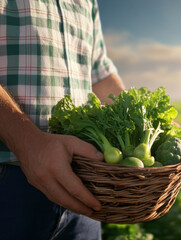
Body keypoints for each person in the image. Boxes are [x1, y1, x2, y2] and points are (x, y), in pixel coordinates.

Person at [0, 0, 124, 239]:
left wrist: (154, 130)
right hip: (8, 180)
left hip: (83, 181)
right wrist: (28, 142)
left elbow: (99, 74)